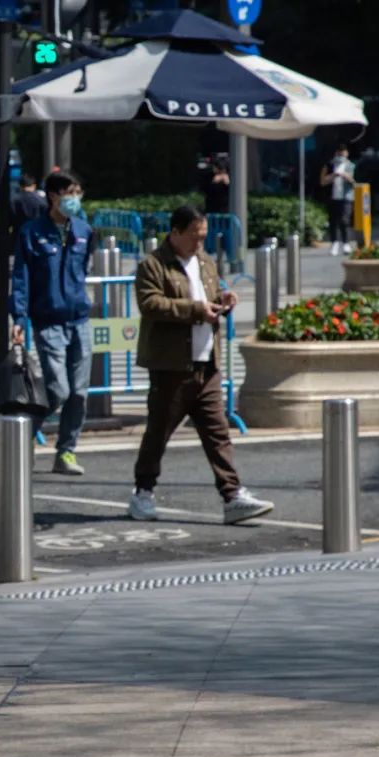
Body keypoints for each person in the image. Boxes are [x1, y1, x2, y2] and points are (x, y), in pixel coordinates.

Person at [129, 204, 274, 525]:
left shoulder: (205, 261)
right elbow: (151, 304)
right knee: (159, 432)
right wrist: (196, 310)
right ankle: (143, 491)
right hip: (171, 366)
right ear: (175, 232)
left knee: (218, 432)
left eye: (204, 237)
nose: (199, 244)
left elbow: (214, 290)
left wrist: (225, 300)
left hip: (206, 361)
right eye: (194, 236)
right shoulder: (153, 265)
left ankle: (232, 494)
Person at [10, 169, 92, 477]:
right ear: (53, 196)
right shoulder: (32, 233)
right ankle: (21, 439)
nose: (75, 199)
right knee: (59, 390)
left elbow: (82, 268)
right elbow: (21, 278)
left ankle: (66, 452)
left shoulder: (84, 229)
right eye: (69, 193)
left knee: (79, 392)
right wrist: (18, 317)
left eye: (78, 192)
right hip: (48, 321)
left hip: (79, 320)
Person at [320, 141, 356, 256]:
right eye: (339, 152)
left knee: (345, 220)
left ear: (347, 153)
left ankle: (346, 243)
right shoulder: (329, 165)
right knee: (333, 221)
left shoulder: (351, 165)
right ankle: (334, 242)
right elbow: (322, 181)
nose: (341, 155)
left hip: (346, 197)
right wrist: (334, 175)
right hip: (332, 197)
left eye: (343, 152)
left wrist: (346, 176)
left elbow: (355, 182)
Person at [11, 170, 47, 234]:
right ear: (34, 185)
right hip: (37, 234)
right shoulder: (41, 200)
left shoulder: (14, 200)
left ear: (20, 186)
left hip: (19, 234)